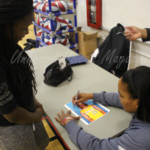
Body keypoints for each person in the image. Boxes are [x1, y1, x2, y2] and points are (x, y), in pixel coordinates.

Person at [55, 66, 150, 150]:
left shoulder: (140, 138)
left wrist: (68, 124)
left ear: (137, 102)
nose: (119, 97)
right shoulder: (145, 100)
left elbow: (95, 147)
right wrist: (92, 96)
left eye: (121, 95)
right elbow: (118, 99)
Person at [0, 0, 49, 150]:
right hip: (12, 127)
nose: (27, 33)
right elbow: (12, 114)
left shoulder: (8, 44)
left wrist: (31, 98)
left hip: (27, 112)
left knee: (41, 143)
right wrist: (36, 116)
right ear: (5, 25)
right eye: (23, 28)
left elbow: (16, 82)